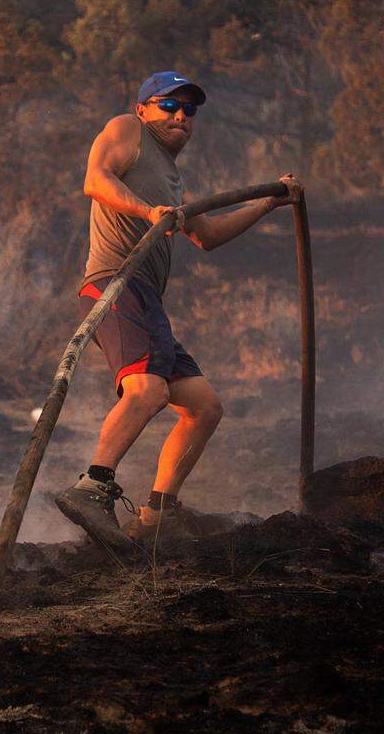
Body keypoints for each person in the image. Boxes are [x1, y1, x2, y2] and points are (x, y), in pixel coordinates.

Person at [55, 71, 302, 554]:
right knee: (146, 391)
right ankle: (93, 488)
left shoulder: (172, 176)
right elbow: (95, 179)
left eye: (190, 111)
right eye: (170, 105)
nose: (181, 117)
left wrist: (269, 204)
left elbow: (207, 236)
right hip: (114, 283)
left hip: (147, 297)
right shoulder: (128, 130)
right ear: (145, 107)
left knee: (203, 407)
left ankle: (157, 514)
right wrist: (149, 213)